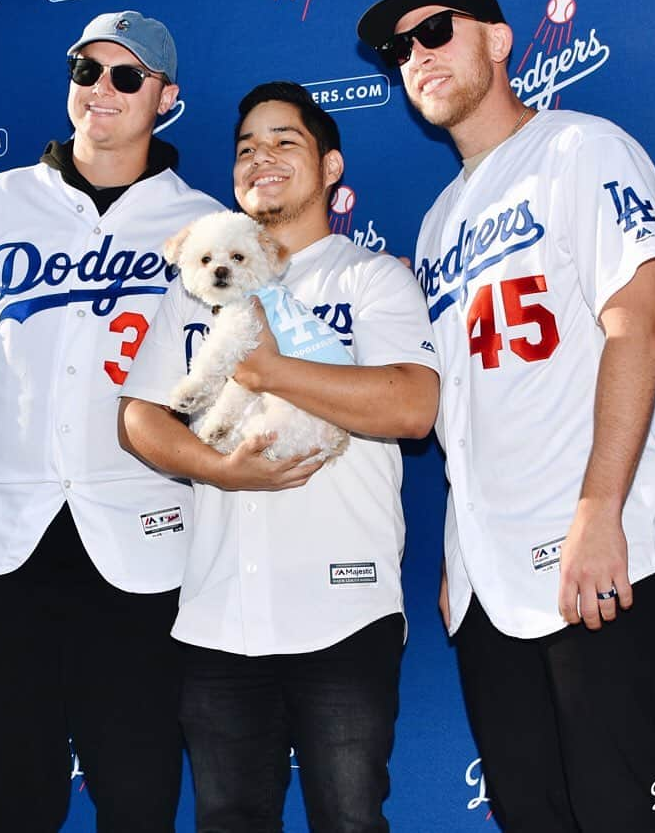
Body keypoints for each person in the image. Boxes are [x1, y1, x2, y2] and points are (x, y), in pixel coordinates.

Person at [358, 0, 655, 833]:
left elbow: (637, 329)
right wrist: (460, 552)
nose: (417, 56)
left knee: (627, 812)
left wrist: (600, 508)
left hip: (597, 541)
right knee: (531, 815)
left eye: (436, 31)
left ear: (500, 40)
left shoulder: (583, 148)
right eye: (400, 48)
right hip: (489, 576)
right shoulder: (438, 221)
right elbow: (464, 407)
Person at [0, 10, 222, 832]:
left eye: (126, 76)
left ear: (166, 97)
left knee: (140, 790)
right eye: (86, 71)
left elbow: (228, 392)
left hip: (148, 538)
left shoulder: (206, 226)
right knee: (13, 788)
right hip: (11, 537)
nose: (100, 91)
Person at [118, 81, 440, 833]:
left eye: (284, 142)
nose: (261, 157)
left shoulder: (371, 278)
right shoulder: (196, 289)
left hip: (344, 607)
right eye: (245, 149)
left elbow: (412, 407)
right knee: (228, 819)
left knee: (350, 820)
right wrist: (219, 468)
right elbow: (139, 416)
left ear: (331, 167)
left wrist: (269, 370)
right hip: (217, 610)